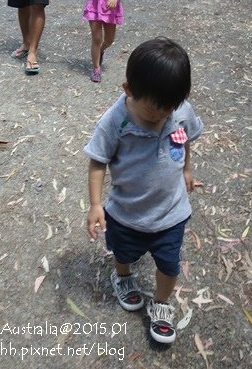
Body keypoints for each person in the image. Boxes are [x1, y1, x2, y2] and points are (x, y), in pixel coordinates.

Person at [84, 37, 203, 343]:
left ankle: (161, 303)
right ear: (128, 91)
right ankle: (122, 276)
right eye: (153, 112)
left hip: (171, 212)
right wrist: (96, 204)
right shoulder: (115, 121)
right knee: (122, 252)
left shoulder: (178, 109)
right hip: (126, 212)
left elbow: (185, 136)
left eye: (168, 110)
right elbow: (98, 161)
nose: (161, 117)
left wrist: (187, 169)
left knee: (169, 263)